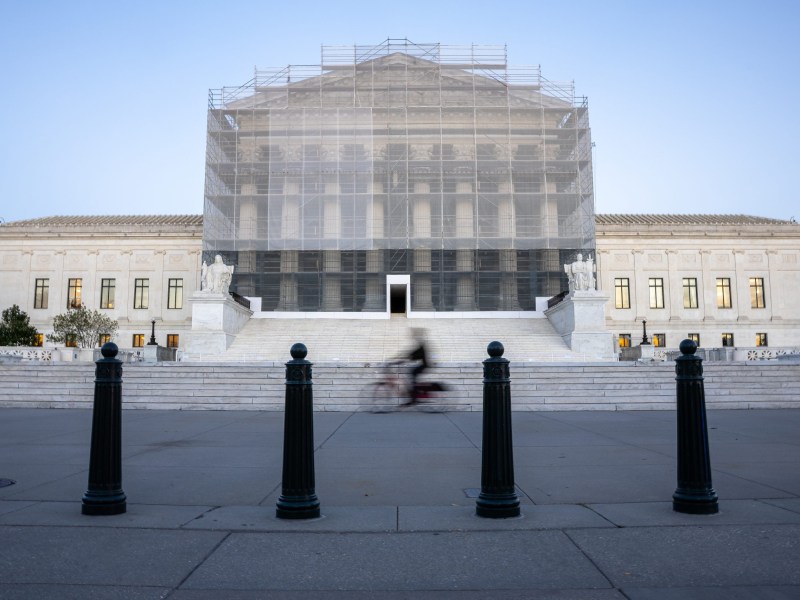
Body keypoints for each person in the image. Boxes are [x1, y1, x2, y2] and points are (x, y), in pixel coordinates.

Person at [405, 328, 429, 403]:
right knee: (412, 373)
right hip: (423, 364)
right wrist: (408, 356)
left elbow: (417, 353)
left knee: (413, 373)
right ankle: (415, 392)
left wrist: (409, 357)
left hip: (425, 365)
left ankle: (415, 397)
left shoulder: (421, 344)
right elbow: (414, 352)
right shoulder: (421, 343)